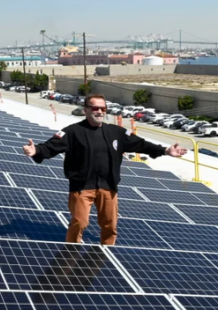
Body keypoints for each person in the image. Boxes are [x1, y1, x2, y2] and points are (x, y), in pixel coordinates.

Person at [23, 94, 187, 245]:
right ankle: (71, 250)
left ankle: (107, 253)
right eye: (95, 108)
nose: (100, 111)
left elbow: (141, 144)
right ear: (86, 110)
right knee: (79, 222)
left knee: (110, 224)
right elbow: (51, 147)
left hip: (108, 186)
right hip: (81, 187)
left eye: (103, 108)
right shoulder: (72, 132)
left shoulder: (116, 132)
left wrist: (165, 150)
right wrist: (36, 150)